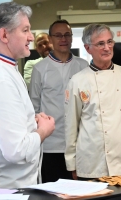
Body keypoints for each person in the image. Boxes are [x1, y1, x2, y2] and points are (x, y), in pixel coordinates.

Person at [0, 2, 55, 188]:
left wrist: (30, 122)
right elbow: (16, 151)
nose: (31, 37)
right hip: (1, 190)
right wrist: (44, 130)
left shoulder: (2, 66)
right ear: (4, 34)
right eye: (25, 30)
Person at [64, 23, 121, 181]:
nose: (107, 47)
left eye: (109, 42)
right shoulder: (77, 82)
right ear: (87, 48)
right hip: (93, 163)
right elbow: (71, 126)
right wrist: (72, 164)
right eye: (100, 43)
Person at [29, 19, 88, 183]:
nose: (63, 39)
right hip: (51, 145)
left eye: (67, 35)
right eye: (58, 35)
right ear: (50, 38)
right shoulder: (40, 69)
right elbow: (33, 106)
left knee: (80, 191)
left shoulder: (83, 66)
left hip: (80, 144)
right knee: (53, 192)